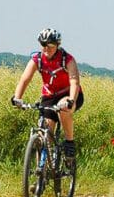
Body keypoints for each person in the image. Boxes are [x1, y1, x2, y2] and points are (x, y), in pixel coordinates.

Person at [11, 28, 85, 164]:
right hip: (50, 96)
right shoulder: (37, 59)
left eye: (50, 45)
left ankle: (69, 143)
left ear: (57, 45)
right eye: (43, 45)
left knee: (64, 109)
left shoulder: (67, 59)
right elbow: (24, 79)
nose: (47, 48)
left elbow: (74, 81)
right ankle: (42, 171)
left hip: (69, 94)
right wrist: (17, 98)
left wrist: (71, 100)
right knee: (44, 135)